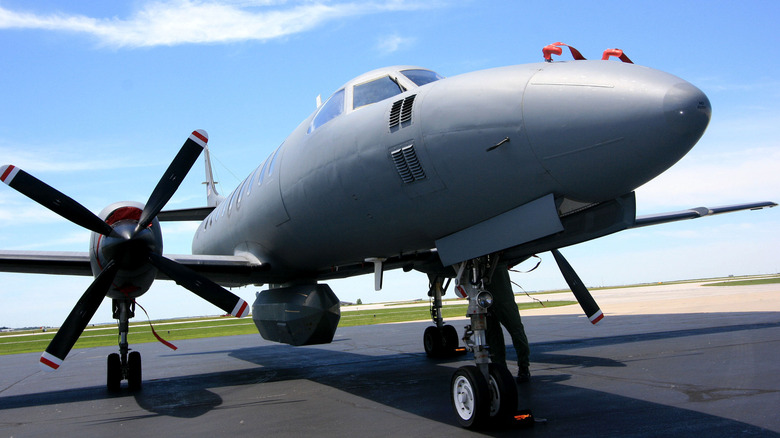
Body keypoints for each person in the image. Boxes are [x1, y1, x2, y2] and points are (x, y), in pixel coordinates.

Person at [486, 265, 531, 383]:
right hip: (486, 301)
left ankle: (523, 367)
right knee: (494, 338)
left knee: (516, 332)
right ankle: (501, 371)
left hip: (503, 300)